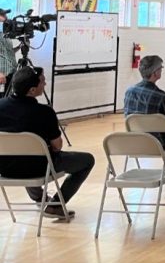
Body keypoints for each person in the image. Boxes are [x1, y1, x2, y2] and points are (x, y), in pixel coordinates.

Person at [0, 67, 94, 219]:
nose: (45, 85)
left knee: (23, 155)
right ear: (31, 90)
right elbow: (57, 146)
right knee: (87, 160)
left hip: (5, 168)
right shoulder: (44, 112)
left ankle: (39, 199)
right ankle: (55, 205)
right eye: (43, 82)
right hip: (39, 168)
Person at [0, 9, 17, 93]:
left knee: (8, 98)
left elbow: (8, 51)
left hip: (11, 71)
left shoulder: (5, 35)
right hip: (1, 73)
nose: (6, 17)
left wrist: (20, 47)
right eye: (3, 15)